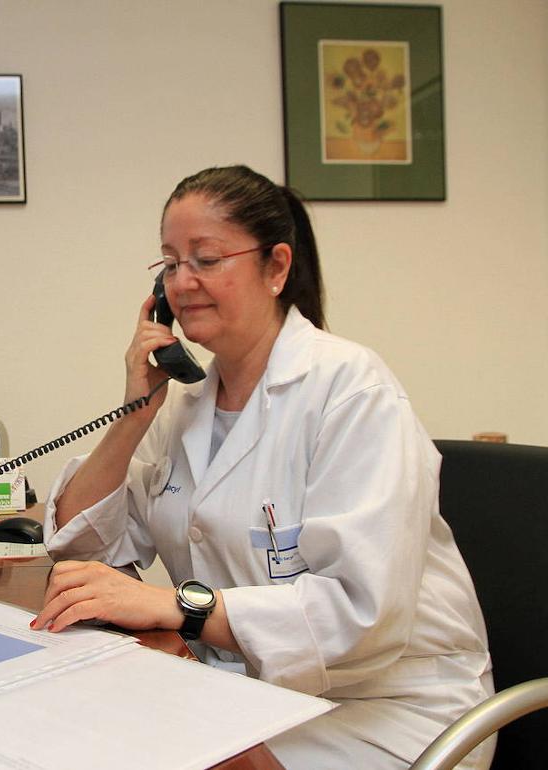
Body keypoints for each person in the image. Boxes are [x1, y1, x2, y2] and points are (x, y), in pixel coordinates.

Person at [31, 165, 494, 769]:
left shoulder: (351, 391)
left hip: (388, 708)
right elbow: (87, 550)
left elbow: (363, 613)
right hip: (252, 693)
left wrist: (180, 606)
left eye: (206, 258)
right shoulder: (190, 407)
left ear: (276, 268)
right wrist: (135, 413)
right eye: (170, 264)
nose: (183, 282)